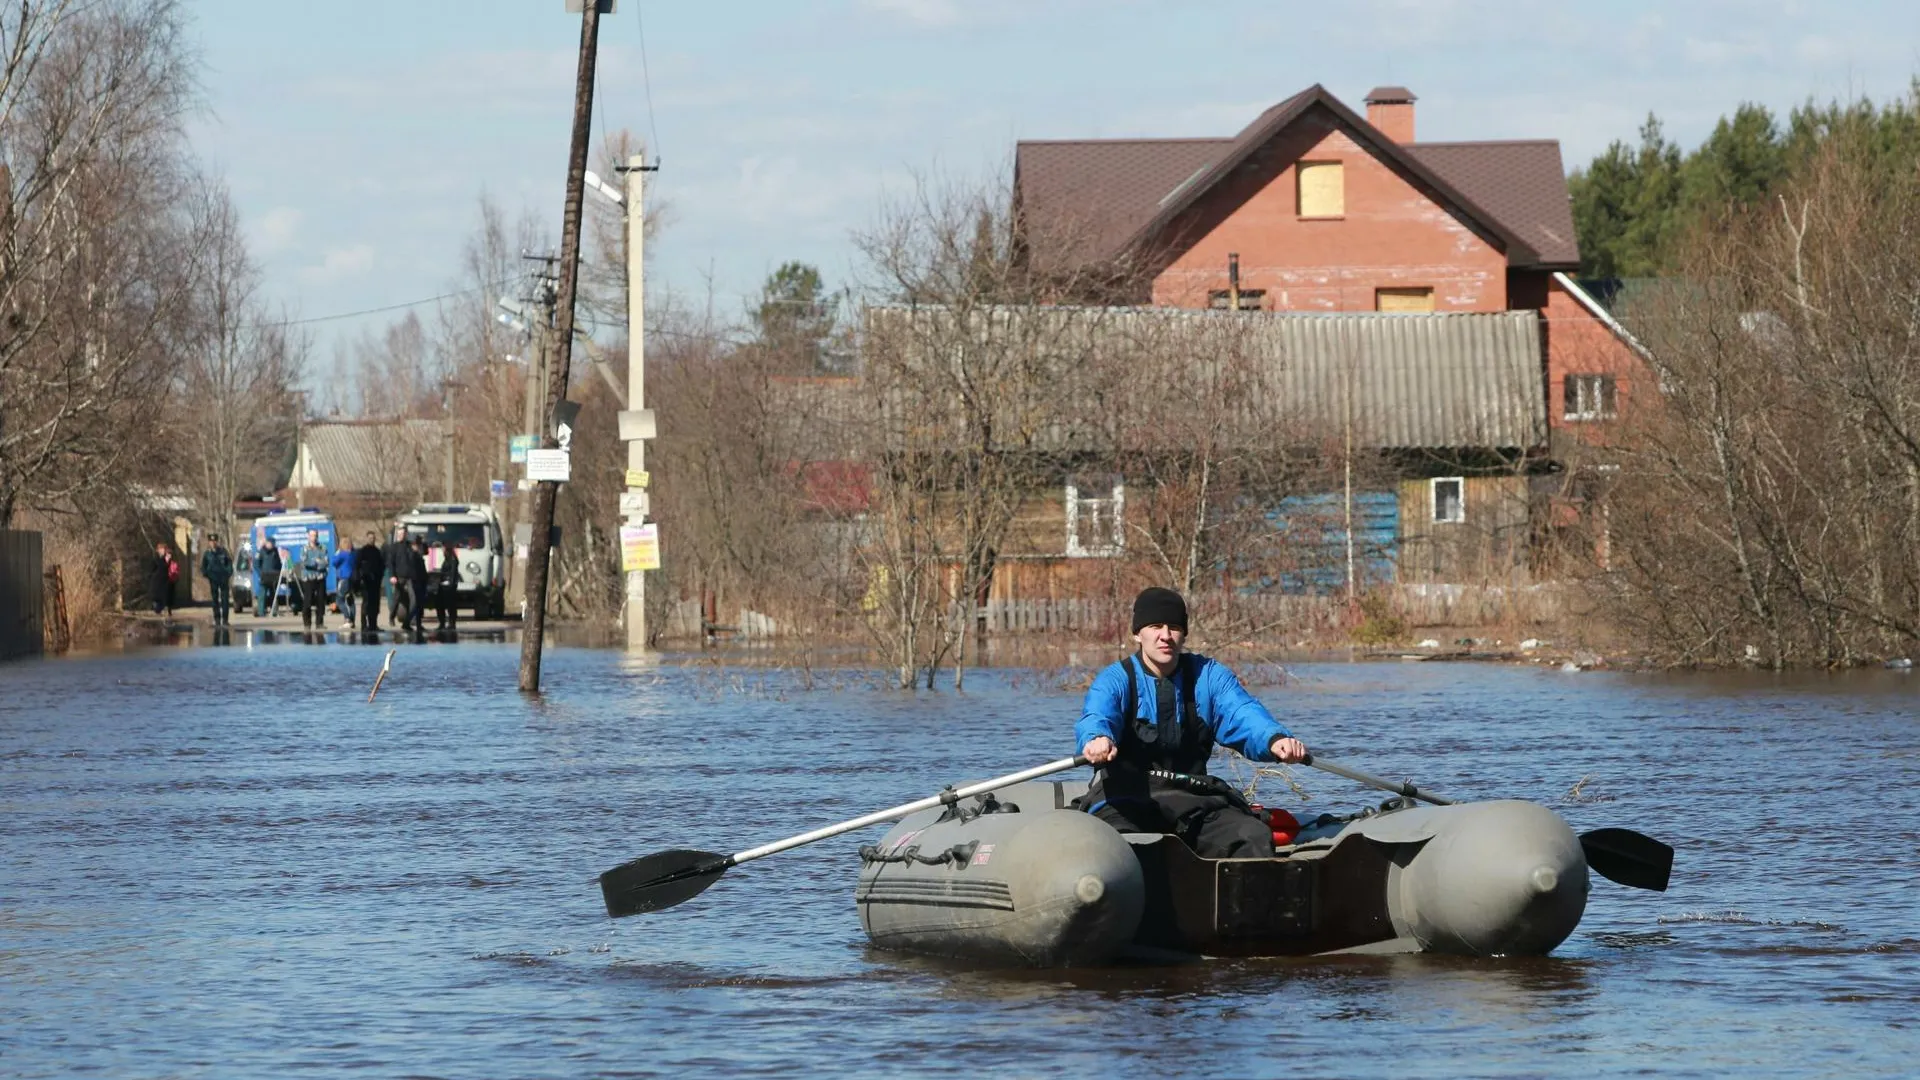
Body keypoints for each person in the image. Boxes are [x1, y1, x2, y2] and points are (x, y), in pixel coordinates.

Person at [1074, 587, 1309, 859]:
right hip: (1125, 800)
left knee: (1252, 836)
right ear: (1138, 634)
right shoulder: (1115, 680)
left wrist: (1275, 739)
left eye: (1174, 627)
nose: (1165, 635)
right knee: (1123, 845)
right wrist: (1096, 739)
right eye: (1155, 626)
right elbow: (1097, 716)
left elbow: (1243, 713)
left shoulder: (1209, 676)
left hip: (1193, 798)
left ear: (1183, 633)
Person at [293, 528, 329, 630]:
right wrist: (316, 562)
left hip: (320, 577)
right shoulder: (304, 548)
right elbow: (304, 563)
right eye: (312, 535)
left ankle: (319, 623)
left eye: (315, 535)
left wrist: (317, 563)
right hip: (308, 578)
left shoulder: (322, 547)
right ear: (308, 536)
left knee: (321, 601)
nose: (314, 537)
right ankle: (307, 624)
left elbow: (325, 562)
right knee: (308, 601)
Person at [353, 531, 385, 631]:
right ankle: (363, 625)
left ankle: (373, 624)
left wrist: (380, 576)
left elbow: (381, 566)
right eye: (370, 538)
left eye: (373, 538)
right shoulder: (362, 551)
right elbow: (357, 567)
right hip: (366, 582)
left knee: (375, 604)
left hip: (376, 582)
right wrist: (359, 579)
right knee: (366, 603)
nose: (372, 539)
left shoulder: (377, 552)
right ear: (367, 539)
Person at [200, 534, 234, 626]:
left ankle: (225, 620)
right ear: (209, 542)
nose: (213, 543)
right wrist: (207, 574)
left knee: (225, 600)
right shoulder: (207, 554)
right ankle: (217, 619)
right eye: (211, 541)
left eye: (214, 541)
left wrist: (228, 573)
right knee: (215, 600)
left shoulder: (223, 552)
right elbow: (203, 566)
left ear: (217, 541)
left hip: (223, 578)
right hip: (213, 579)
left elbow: (229, 563)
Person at [382, 526, 412, 629]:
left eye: (403, 534)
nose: (401, 536)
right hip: (399, 577)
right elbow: (390, 563)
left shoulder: (409, 546)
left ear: (406, 534)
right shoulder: (393, 547)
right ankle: (391, 617)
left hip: (409, 577)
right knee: (397, 598)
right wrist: (392, 576)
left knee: (411, 599)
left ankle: (408, 621)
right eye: (399, 534)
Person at [402, 536, 430, 634]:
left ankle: (418, 624)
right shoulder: (412, 556)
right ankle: (407, 622)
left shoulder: (417, 555)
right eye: (418, 545)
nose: (419, 547)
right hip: (416, 581)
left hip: (420, 581)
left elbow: (426, 552)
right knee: (416, 604)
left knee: (419, 605)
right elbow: (414, 571)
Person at [432, 541, 461, 633]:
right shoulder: (447, 559)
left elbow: (452, 573)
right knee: (439, 604)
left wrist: (451, 584)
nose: (442, 551)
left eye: (443, 549)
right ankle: (442, 623)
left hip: (449, 586)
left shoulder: (452, 559)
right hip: (443, 585)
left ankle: (451, 623)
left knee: (450, 605)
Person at [330, 537, 358, 629]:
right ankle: (352, 621)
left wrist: (337, 553)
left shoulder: (342, 554)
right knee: (350, 600)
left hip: (344, 579)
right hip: (352, 579)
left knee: (339, 600)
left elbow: (333, 562)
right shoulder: (353, 554)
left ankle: (347, 619)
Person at [148, 541, 179, 617]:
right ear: (158, 550)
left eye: (164, 549)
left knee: (165, 597)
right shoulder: (156, 559)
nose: (163, 551)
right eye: (161, 549)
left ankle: (165, 610)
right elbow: (153, 569)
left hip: (166, 581)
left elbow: (172, 567)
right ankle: (158, 608)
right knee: (157, 598)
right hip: (157, 582)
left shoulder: (168, 558)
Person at [256, 538, 283, 617]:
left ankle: (274, 611)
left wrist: (279, 572)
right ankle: (261, 612)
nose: (271, 545)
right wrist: (260, 573)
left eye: (273, 544)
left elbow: (278, 563)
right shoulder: (261, 551)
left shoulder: (275, 551)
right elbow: (256, 564)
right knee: (262, 594)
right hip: (264, 575)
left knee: (273, 594)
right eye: (270, 543)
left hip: (273, 575)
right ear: (267, 543)